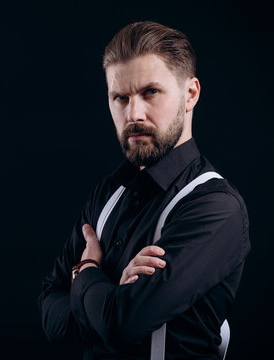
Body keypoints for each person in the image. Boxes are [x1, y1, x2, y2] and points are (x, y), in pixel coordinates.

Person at [37, 21, 250, 359]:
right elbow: (50, 311)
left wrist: (87, 271)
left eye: (150, 92)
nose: (133, 113)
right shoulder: (107, 193)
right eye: (120, 97)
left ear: (190, 94)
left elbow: (123, 324)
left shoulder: (215, 207)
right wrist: (109, 295)